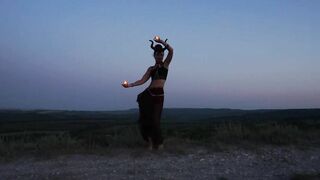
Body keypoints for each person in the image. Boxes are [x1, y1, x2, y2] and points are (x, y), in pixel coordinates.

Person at [122, 36, 173, 150]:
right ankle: (149, 143)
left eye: (161, 54)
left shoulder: (165, 65)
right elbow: (142, 80)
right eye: (157, 54)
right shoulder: (150, 69)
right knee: (146, 119)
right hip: (149, 94)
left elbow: (171, 51)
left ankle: (159, 144)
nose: (159, 56)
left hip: (159, 95)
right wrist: (130, 85)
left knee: (155, 120)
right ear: (154, 55)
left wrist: (161, 42)